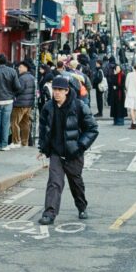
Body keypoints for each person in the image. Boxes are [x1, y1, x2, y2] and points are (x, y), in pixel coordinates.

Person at [36, 76, 99, 225]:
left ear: (66, 91)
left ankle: (82, 206)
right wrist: (43, 148)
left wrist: (80, 146)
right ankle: (49, 213)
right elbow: (44, 129)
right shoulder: (48, 107)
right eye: (55, 89)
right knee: (54, 182)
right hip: (56, 153)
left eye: (60, 90)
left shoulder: (79, 106)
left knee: (75, 182)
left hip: (73, 153)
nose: (56, 92)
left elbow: (92, 129)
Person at [9, 60, 36, 148]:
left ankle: (16, 141)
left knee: (15, 122)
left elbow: (19, 89)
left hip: (20, 104)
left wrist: (13, 92)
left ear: (25, 68)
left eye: (20, 67)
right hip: (28, 104)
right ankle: (25, 142)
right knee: (25, 123)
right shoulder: (32, 77)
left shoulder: (22, 78)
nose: (19, 69)